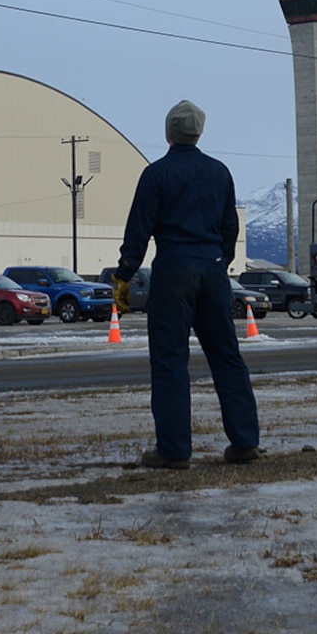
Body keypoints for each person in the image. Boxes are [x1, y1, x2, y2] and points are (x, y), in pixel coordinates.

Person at [112, 100, 261, 469]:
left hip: (173, 270)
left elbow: (139, 230)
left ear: (168, 133)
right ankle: (245, 442)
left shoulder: (156, 175)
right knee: (227, 357)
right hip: (212, 270)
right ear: (199, 132)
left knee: (170, 361)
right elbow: (230, 227)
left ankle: (174, 450)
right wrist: (218, 261)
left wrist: (124, 274)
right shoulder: (219, 172)